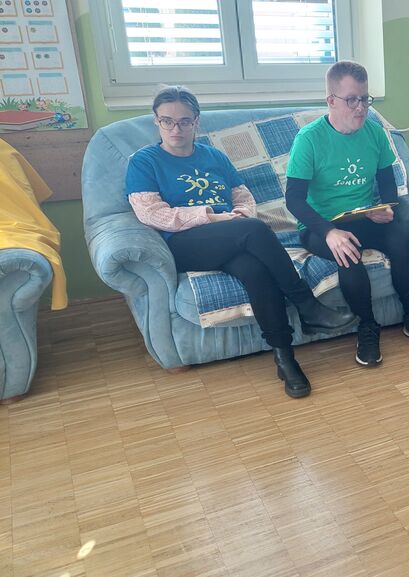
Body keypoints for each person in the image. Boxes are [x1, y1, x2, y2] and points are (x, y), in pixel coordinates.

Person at [125, 85, 347, 399]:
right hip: (184, 243)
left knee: (254, 270)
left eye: (184, 121)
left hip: (230, 235)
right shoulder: (145, 161)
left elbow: (242, 196)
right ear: (156, 121)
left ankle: (285, 358)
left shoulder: (214, 156)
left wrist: (239, 214)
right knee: (254, 230)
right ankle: (307, 305)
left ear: (196, 122)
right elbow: (152, 213)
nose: (176, 129)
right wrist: (213, 218)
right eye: (167, 121)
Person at [285, 60, 409, 367]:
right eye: (351, 100)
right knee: (348, 255)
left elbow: (387, 184)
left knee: (401, 241)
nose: (361, 108)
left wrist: (386, 208)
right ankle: (367, 327)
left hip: (363, 216)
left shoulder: (375, 133)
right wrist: (329, 232)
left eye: (365, 99)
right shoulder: (309, 139)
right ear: (331, 100)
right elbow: (294, 200)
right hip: (321, 225)